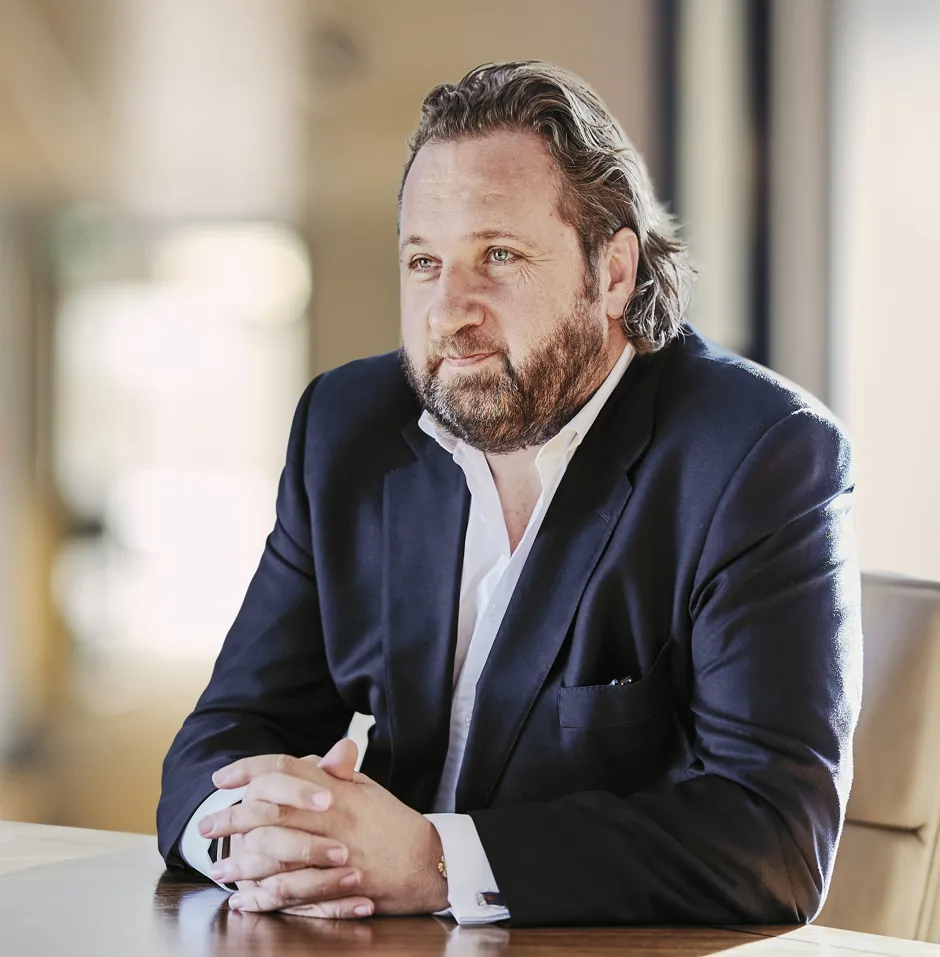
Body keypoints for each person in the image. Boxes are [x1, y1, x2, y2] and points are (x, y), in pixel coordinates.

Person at [157, 60, 862, 927]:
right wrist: (254, 840)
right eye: (424, 261)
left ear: (612, 273)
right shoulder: (349, 428)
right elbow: (224, 734)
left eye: (497, 255)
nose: (450, 310)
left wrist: (432, 862)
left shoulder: (759, 455)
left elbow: (774, 840)